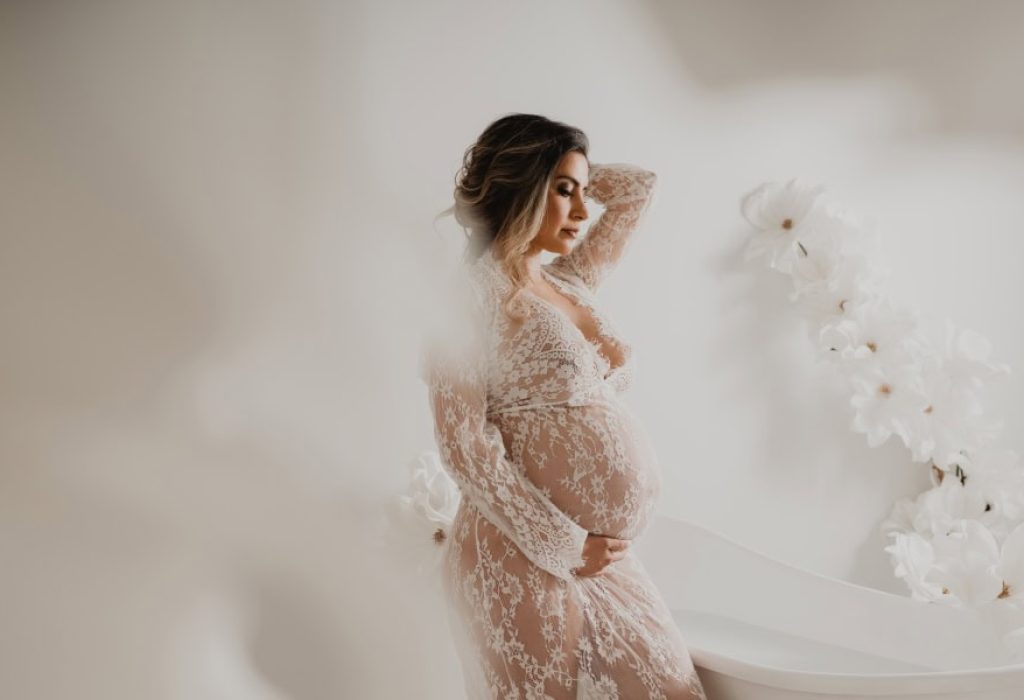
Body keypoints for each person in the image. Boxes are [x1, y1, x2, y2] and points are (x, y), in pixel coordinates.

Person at [422, 113, 707, 699]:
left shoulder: (570, 281)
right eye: (563, 192)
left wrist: (567, 166)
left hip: (600, 559)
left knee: (674, 690)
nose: (582, 211)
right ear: (522, 187)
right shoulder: (466, 301)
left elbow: (636, 191)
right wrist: (564, 543)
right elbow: (464, 445)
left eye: (581, 192)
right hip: (519, 550)